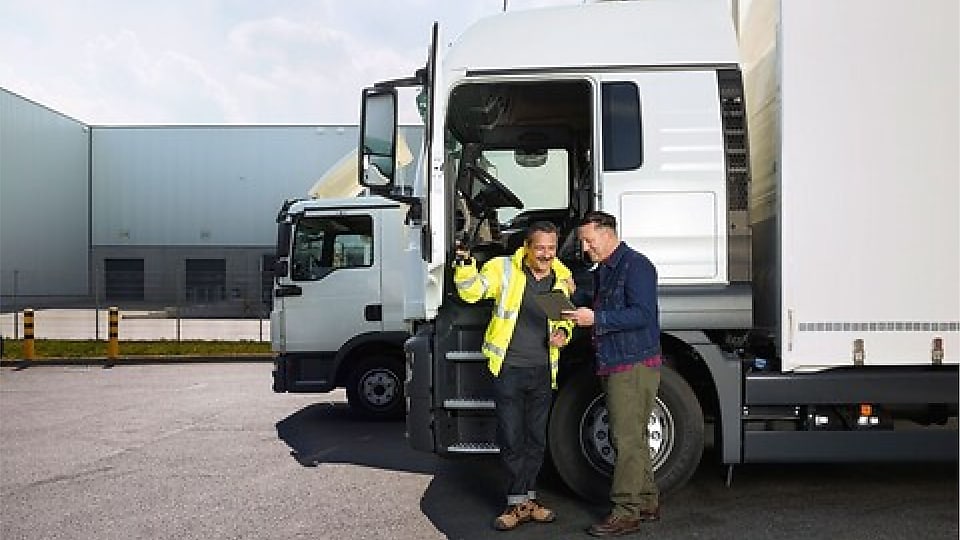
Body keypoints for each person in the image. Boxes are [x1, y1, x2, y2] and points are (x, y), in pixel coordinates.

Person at [453, 221, 575, 532]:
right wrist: (465, 265)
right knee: (511, 437)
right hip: (509, 368)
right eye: (540, 248)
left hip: (543, 370)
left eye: (551, 248)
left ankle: (526, 501)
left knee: (536, 439)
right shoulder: (503, 268)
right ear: (527, 247)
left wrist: (563, 333)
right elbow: (471, 293)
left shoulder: (562, 276)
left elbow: (567, 318)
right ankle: (516, 502)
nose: (546, 255)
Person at [563, 211, 662, 538]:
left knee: (626, 439)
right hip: (616, 362)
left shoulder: (636, 266)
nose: (587, 248)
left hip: (632, 365)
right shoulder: (605, 269)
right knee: (634, 436)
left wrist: (597, 319)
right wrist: (572, 293)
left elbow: (642, 315)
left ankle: (626, 514)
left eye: (590, 241)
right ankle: (646, 502)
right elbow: (593, 299)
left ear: (608, 234)